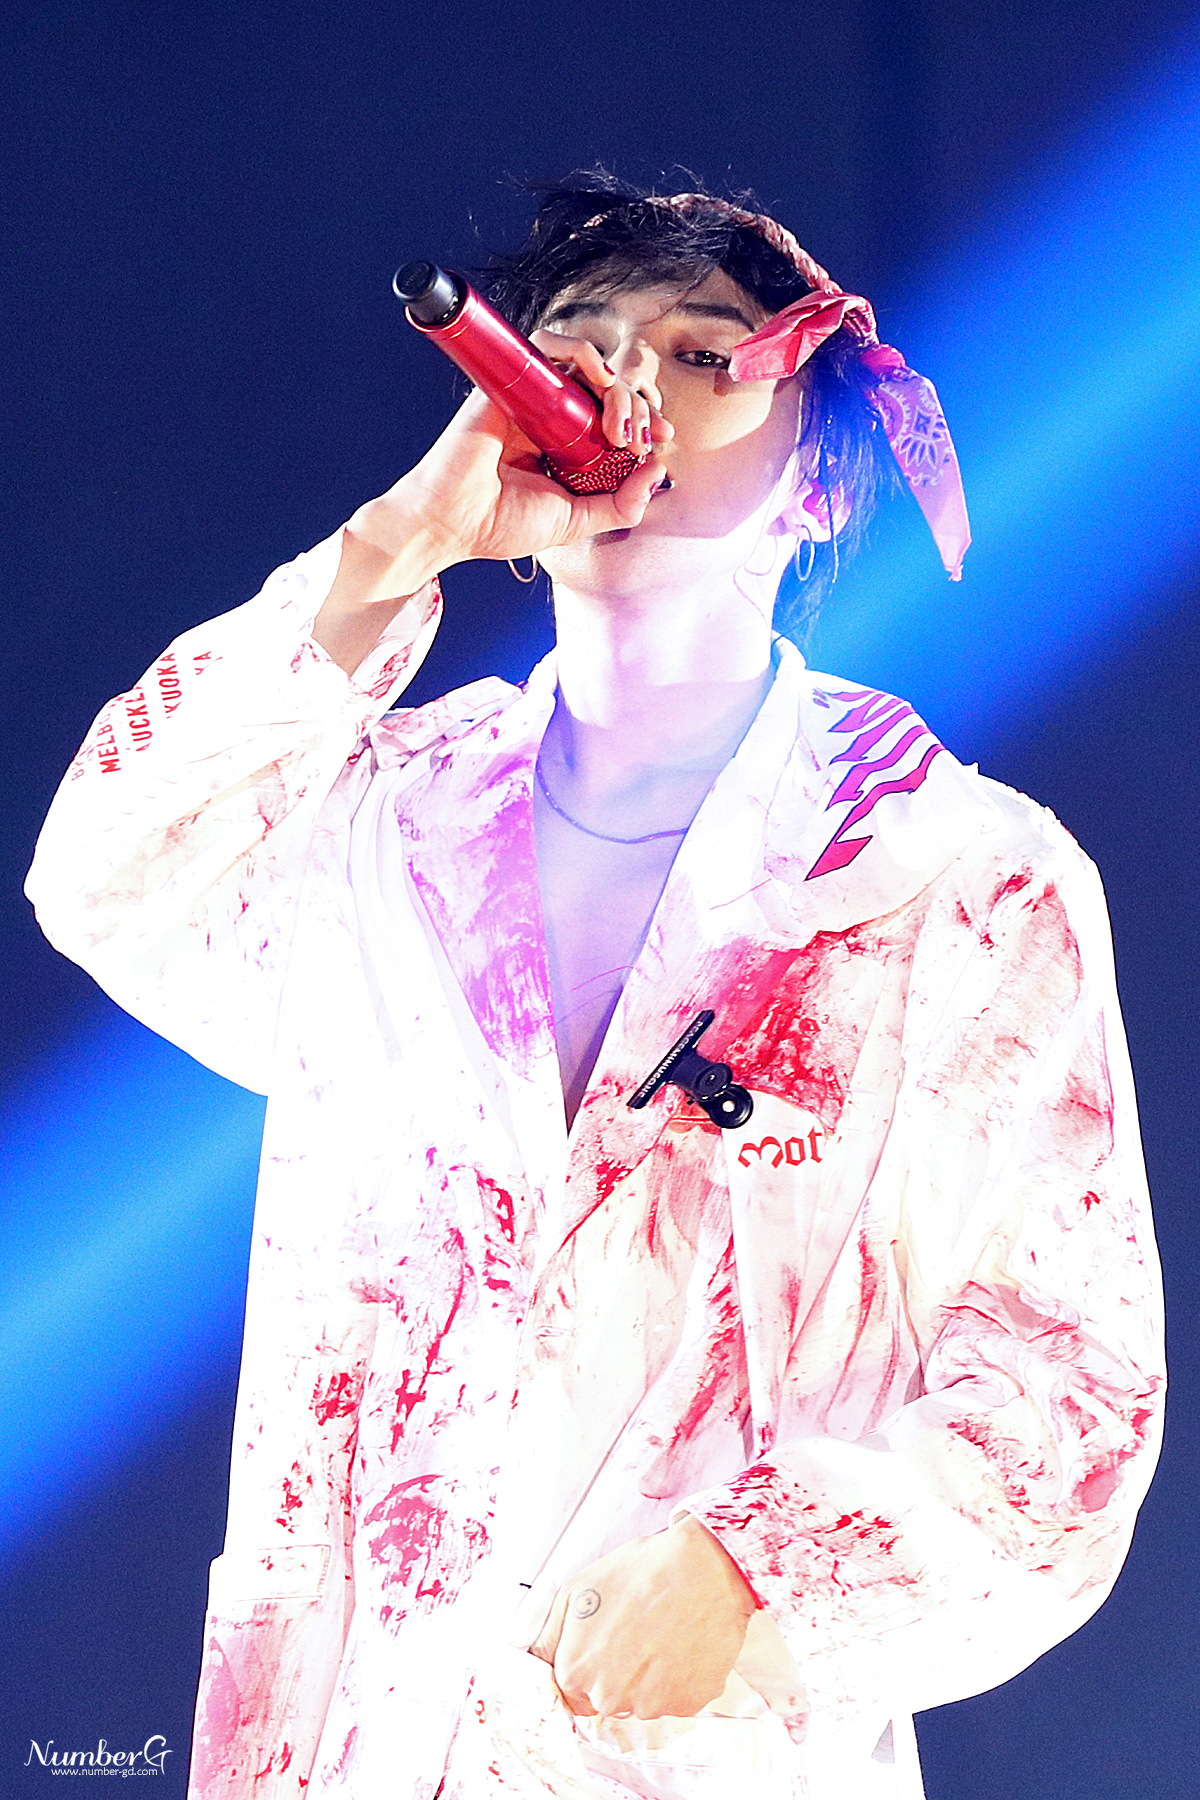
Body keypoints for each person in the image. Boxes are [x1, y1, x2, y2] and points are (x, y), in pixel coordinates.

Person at [26, 178, 1164, 1800]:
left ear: (820, 484)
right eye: (576, 343)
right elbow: (106, 865)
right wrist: (397, 547)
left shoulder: (957, 880)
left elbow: (1071, 1393)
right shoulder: (377, 827)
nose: (628, 390)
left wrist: (759, 1571)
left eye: (702, 354)